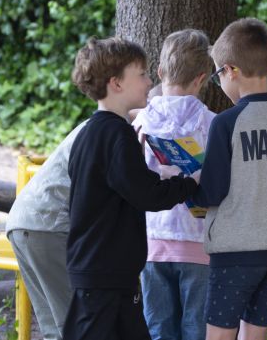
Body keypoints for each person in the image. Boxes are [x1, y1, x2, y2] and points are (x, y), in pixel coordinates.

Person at [63, 37, 201, 340]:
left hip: (103, 269)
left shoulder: (90, 132)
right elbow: (147, 194)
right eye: (141, 74)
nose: (149, 82)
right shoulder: (118, 134)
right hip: (105, 272)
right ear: (116, 83)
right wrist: (190, 182)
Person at [192, 18, 267, 340]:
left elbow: (212, 191)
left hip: (235, 249)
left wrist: (187, 188)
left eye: (217, 75)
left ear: (230, 70)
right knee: (255, 333)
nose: (219, 82)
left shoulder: (227, 122)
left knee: (220, 334)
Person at [132, 29, 215, 340]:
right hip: (198, 243)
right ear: (202, 78)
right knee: (197, 330)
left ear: (159, 71)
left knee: (158, 330)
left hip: (152, 242)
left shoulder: (140, 122)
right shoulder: (212, 123)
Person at [5, 119, 87, 340]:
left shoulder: (99, 124)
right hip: (49, 225)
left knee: (56, 328)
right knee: (77, 325)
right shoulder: (116, 129)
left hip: (24, 221)